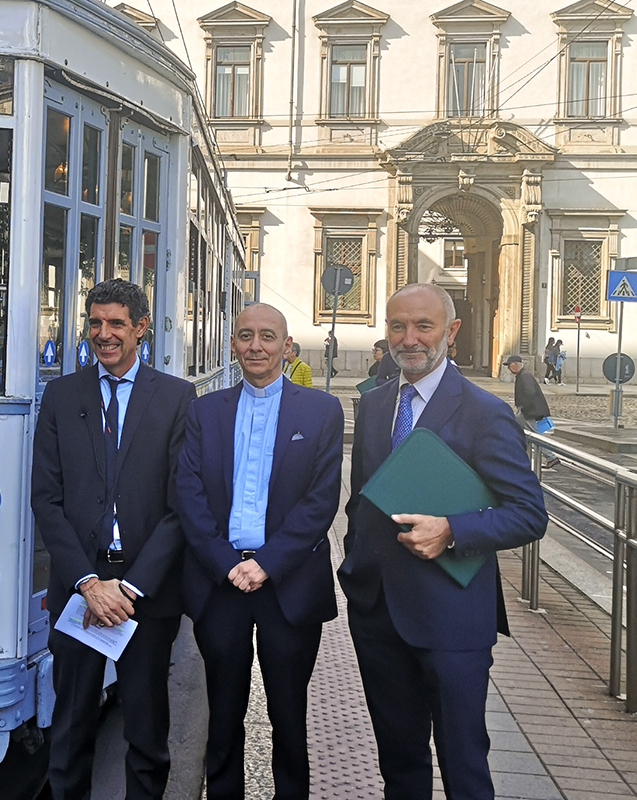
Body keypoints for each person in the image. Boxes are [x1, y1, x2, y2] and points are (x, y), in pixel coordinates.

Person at [339, 284, 547, 800]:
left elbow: (529, 514)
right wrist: (355, 568)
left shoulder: (484, 412)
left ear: (450, 332)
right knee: (400, 763)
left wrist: (454, 530)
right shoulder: (373, 404)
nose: (408, 339)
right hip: (379, 614)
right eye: (396, 327)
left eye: (423, 326)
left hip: (453, 619)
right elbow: (362, 500)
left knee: (463, 764)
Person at [31, 278, 196, 800]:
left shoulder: (176, 398)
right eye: (96, 322)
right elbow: (46, 499)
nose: (104, 334)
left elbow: (179, 509)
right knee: (71, 723)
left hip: (146, 594)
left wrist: (130, 588)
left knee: (146, 731)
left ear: (141, 328)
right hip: (81, 589)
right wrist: (87, 582)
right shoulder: (61, 395)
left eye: (116, 324)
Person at [175, 303, 343, 800]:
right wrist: (229, 564)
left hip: (288, 586)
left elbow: (321, 501)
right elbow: (189, 494)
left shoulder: (321, 411)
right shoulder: (205, 410)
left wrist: (266, 564)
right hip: (220, 583)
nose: (256, 346)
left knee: (288, 714)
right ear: (232, 345)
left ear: (286, 346)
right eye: (245, 336)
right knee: (222, 714)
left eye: (267, 336)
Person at [506, 355, 558, 469]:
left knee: (533, 435)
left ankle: (551, 457)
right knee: (523, 433)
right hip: (528, 410)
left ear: (515, 364)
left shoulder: (524, 376)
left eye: (509, 365)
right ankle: (523, 457)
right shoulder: (523, 375)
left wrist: (523, 407)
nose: (508, 368)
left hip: (528, 411)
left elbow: (530, 393)